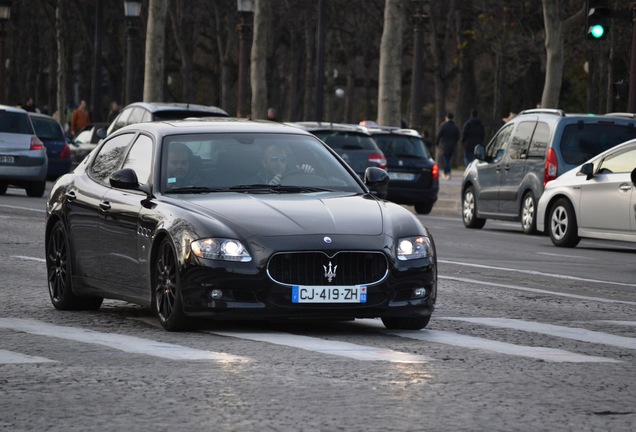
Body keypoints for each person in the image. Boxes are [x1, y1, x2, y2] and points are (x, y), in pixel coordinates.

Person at [435, 112, 460, 180]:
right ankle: (447, 172)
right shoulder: (455, 127)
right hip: (452, 145)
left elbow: (439, 135)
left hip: (445, 145)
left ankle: (447, 172)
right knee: (448, 159)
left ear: (447, 117)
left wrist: (437, 143)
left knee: (446, 159)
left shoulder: (444, 126)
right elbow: (458, 136)